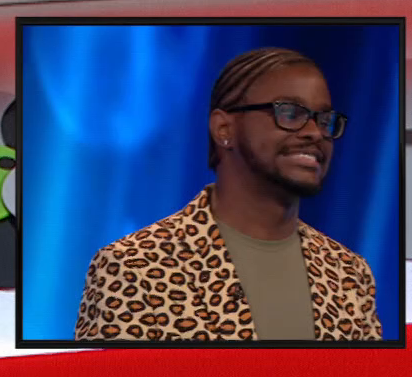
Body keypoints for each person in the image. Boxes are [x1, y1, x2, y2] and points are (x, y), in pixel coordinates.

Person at [73, 46, 382, 341]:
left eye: (325, 121)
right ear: (224, 129)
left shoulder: (349, 275)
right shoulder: (133, 269)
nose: (315, 133)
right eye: (290, 113)